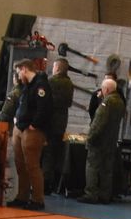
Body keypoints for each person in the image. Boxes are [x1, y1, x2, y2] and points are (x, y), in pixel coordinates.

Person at [8, 58, 52, 210]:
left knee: (32, 166)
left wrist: (34, 124)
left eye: (19, 72)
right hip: (20, 128)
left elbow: (44, 109)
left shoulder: (41, 85)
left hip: (32, 131)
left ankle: (38, 199)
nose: (18, 76)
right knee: (20, 165)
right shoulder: (27, 86)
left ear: (24, 69)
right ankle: (22, 196)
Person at [80, 77, 124, 205]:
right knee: (107, 169)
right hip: (111, 140)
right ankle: (105, 195)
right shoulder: (120, 102)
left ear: (106, 90)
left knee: (92, 167)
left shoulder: (107, 102)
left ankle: (90, 194)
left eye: (103, 89)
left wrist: (90, 138)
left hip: (99, 141)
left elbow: (98, 122)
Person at [41, 58, 73, 195]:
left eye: (54, 67)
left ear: (58, 68)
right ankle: (52, 184)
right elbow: (69, 103)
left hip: (49, 123)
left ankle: (44, 184)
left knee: (46, 154)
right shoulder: (69, 84)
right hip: (61, 124)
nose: (52, 69)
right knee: (55, 154)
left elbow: (44, 102)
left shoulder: (50, 82)